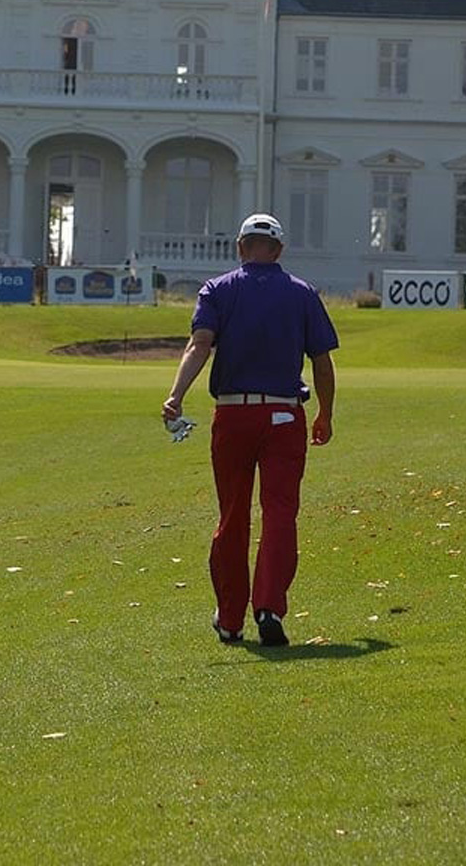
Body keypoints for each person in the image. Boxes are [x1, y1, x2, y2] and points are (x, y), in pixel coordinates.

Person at [161, 213, 338, 646]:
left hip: (234, 414)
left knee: (233, 516)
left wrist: (176, 395)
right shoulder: (302, 293)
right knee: (280, 513)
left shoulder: (218, 290)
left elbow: (199, 345)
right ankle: (269, 606)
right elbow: (321, 360)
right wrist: (326, 414)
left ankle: (230, 617)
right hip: (282, 416)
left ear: (241, 247)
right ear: (277, 250)